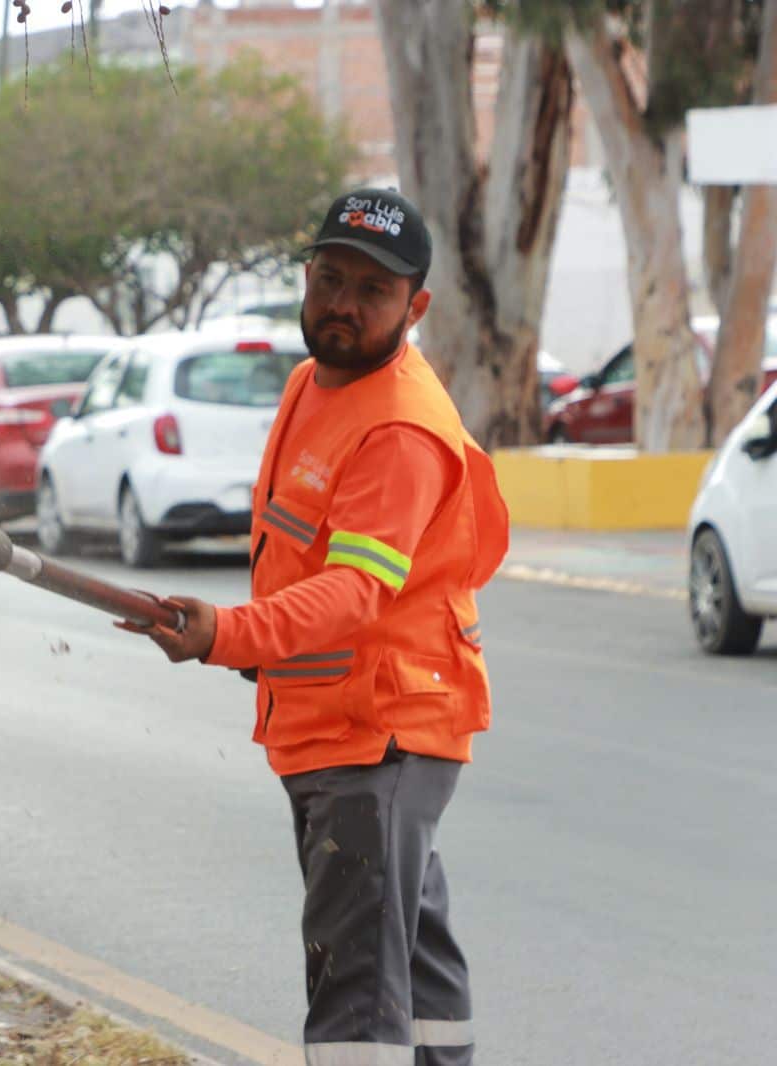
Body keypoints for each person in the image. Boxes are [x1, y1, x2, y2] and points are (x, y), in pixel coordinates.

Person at [117, 187, 509, 1066]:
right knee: (406, 944)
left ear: (417, 307)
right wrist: (256, 647)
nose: (342, 304)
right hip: (340, 720)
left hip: (382, 733)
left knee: (356, 984)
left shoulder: (402, 428)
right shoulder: (309, 383)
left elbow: (353, 594)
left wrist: (230, 634)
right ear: (306, 275)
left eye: (371, 292)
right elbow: (292, 554)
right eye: (330, 278)